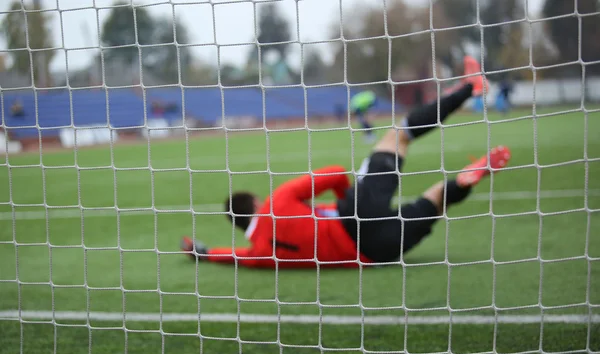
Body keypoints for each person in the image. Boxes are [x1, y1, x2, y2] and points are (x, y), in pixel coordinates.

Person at [181, 60, 511, 268]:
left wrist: (204, 252)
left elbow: (233, 255)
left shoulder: (261, 253)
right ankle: (470, 88)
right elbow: (336, 173)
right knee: (399, 135)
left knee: (434, 201)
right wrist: (348, 196)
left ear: (241, 227)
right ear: (254, 202)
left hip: (373, 253)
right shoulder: (276, 202)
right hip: (352, 212)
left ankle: (464, 182)